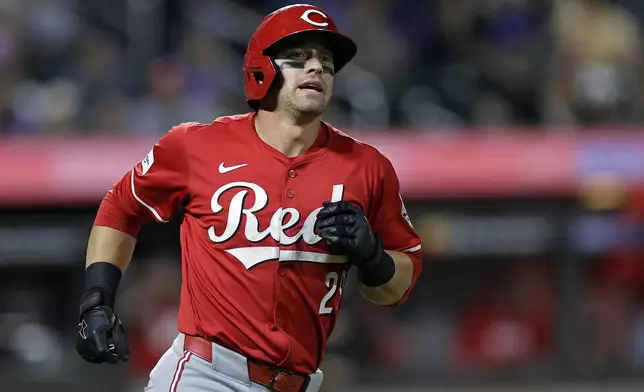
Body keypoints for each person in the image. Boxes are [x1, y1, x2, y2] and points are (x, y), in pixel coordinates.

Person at [75, 4, 422, 392]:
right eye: (299, 57)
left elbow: (398, 285)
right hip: (206, 375)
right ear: (262, 68)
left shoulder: (367, 167)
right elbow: (121, 208)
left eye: (326, 60)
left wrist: (373, 257)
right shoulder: (197, 145)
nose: (317, 68)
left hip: (302, 382)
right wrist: (97, 299)